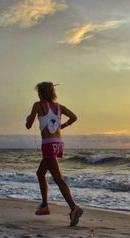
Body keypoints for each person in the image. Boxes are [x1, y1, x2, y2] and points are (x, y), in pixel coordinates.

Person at [25, 81, 83, 227]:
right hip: (58, 143)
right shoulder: (59, 107)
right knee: (40, 173)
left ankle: (73, 208)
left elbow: (28, 126)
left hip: (48, 144)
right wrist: (61, 126)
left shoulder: (38, 105)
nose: (37, 94)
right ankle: (44, 205)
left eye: (39, 92)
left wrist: (28, 118)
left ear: (41, 93)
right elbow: (74, 117)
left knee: (58, 178)